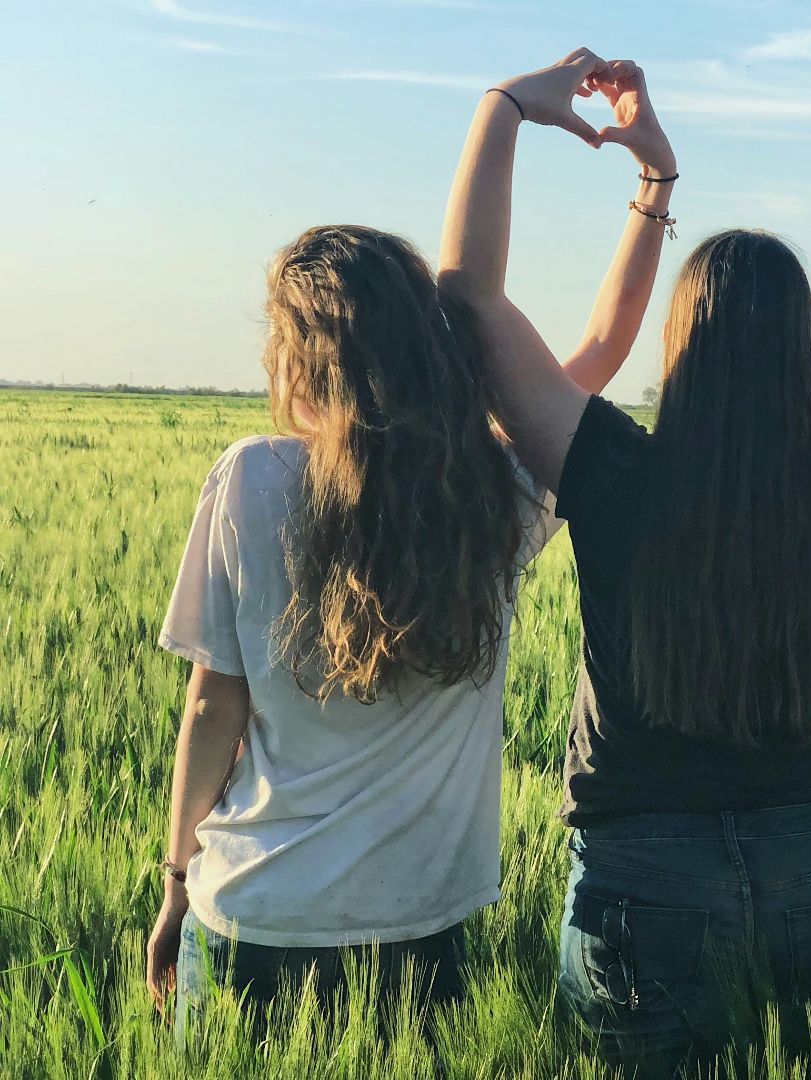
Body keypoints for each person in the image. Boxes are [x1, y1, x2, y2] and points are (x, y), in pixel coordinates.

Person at [436, 50, 811, 1072]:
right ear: (789, 358)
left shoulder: (612, 470)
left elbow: (467, 301)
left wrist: (503, 108)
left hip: (640, 881)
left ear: (681, 347)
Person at [143, 56, 669, 1028]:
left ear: (297, 358)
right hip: (420, 933)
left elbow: (213, 704)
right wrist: (652, 184)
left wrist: (177, 881)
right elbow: (601, 348)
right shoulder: (492, 494)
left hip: (253, 913)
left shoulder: (250, 478)